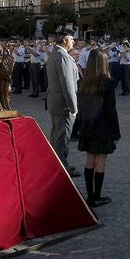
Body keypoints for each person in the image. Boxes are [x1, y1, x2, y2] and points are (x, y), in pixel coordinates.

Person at [74, 47, 120, 208]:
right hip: (103, 127)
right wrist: (116, 132)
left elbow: (80, 109)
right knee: (100, 160)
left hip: (87, 126)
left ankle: (90, 196)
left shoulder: (82, 83)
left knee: (89, 159)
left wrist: (78, 128)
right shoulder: (107, 83)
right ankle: (97, 196)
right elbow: (111, 110)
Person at [45, 28, 81, 177]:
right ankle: (62, 166)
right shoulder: (63, 56)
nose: (73, 42)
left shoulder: (55, 54)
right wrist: (73, 107)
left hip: (55, 101)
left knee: (56, 134)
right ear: (66, 40)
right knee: (62, 136)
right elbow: (68, 84)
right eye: (72, 39)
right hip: (63, 104)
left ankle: (56, 163)